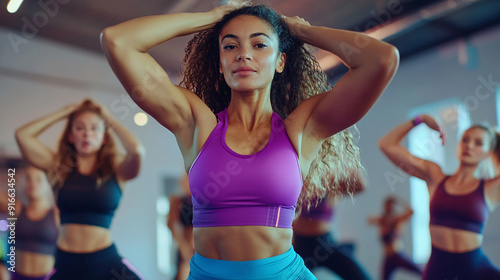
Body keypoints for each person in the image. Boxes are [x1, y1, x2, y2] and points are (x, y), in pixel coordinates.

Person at [101, 2, 399, 279]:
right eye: (230, 46)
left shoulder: (303, 128)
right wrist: (212, 18)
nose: (244, 54)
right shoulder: (195, 123)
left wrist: (298, 30)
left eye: (259, 44)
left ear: (281, 60)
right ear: (220, 63)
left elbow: (381, 59)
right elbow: (118, 41)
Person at [15, 99, 145, 280]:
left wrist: (107, 117)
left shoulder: (116, 170)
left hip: (105, 263)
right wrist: (63, 112)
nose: (87, 134)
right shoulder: (58, 168)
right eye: (80, 128)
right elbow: (22, 135)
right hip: (66, 265)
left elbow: (137, 150)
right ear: (70, 135)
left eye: (94, 129)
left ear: (104, 137)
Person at [378, 114, 500, 279]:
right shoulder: (434, 176)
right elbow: (386, 144)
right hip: (438, 268)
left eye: (478, 143)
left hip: (475, 268)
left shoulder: (491, 187)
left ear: (488, 152)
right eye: (465, 139)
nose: (469, 145)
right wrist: (419, 120)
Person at [293, 187, 372, 280]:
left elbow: (361, 186)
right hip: (299, 245)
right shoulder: (303, 179)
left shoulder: (331, 180)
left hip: (325, 245)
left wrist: (336, 174)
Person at [0, 166, 58, 280]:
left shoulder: (57, 215)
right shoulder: (16, 209)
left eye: (38, 179)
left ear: (48, 183)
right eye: (28, 178)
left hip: (47, 277)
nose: (32, 183)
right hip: (17, 276)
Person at [367, 196, 422, 280]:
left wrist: (399, 201)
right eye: (387, 205)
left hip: (397, 255)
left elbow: (411, 211)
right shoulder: (382, 221)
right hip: (388, 257)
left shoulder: (397, 220)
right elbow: (370, 220)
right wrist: (379, 219)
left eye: (391, 205)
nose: (389, 207)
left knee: (420, 271)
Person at [167, 174, 194, 280]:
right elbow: (170, 225)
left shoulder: (205, 199)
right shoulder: (177, 201)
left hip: (202, 248)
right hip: (186, 249)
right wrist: (183, 246)